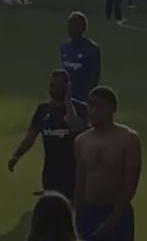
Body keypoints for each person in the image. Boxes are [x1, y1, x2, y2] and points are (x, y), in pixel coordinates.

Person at [8, 70, 88, 201]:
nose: (54, 89)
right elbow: (30, 136)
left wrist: (68, 101)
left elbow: (76, 128)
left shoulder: (80, 108)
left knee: (74, 213)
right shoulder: (42, 110)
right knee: (52, 212)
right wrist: (17, 155)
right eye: (52, 85)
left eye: (59, 86)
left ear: (68, 87)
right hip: (51, 174)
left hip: (75, 174)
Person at [74, 86, 141, 241]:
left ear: (112, 109)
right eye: (91, 105)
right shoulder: (81, 141)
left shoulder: (129, 139)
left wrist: (115, 217)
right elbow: (80, 180)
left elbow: (130, 185)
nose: (94, 110)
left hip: (118, 211)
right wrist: (78, 213)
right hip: (90, 212)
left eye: (100, 106)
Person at [60, 12, 101, 102]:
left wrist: (87, 96)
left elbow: (94, 76)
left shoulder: (92, 49)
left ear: (82, 28)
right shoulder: (64, 47)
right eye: (70, 25)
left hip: (83, 96)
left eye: (75, 25)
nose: (70, 29)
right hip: (66, 96)